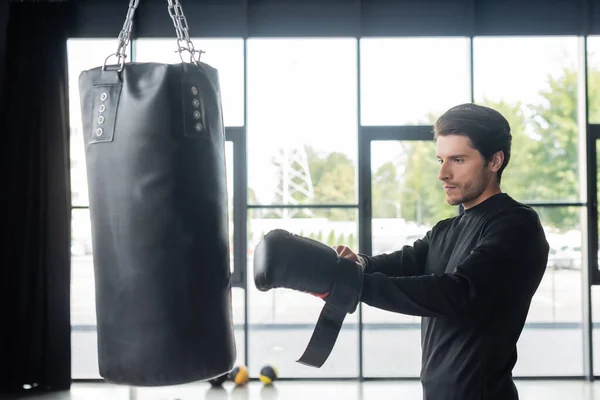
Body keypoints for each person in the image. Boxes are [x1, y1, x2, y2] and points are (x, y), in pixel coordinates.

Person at [332, 103, 549, 400]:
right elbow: (402, 263)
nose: (443, 174)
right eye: (440, 160)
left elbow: (457, 292)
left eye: (458, 160)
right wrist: (353, 264)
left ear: (495, 160)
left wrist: (357, 285)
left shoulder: (516, 225)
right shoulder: (446, 230)